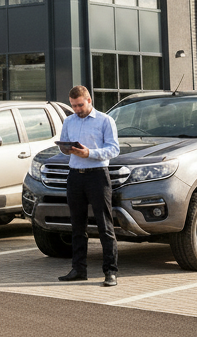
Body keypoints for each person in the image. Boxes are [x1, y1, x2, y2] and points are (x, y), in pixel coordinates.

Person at [57, 85, 120, 287]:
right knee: (77, 226)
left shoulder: (105, 121)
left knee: (104, 225)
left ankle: (110, 272)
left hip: (97, 177)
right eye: (73, 106)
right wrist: (66, 149)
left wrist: (90, 153)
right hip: (75, 176)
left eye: (80, 105)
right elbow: (66, 147)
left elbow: (114, 149)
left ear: (89, 100)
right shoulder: (68, 121)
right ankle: (78, 270)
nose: (77, 109)